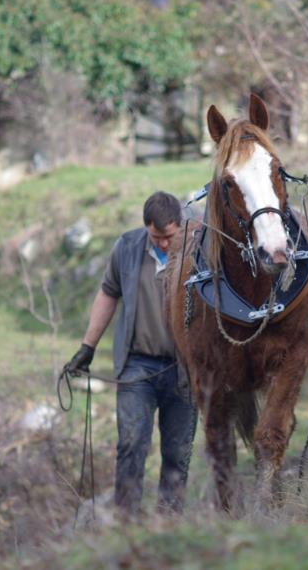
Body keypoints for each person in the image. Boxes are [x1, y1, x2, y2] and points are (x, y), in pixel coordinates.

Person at [65, 191, 196, 516]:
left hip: (186, 370)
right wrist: (87, 347)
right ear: (146, 229)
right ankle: (126, 527)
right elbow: (108, 293)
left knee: (178, 453)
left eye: (169, 237)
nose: (164, 244)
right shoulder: (127, 248)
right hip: (137, 365)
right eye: (156, 237)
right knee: (131, 445)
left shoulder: (200, 251)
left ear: (180, 227)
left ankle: (168, 529)